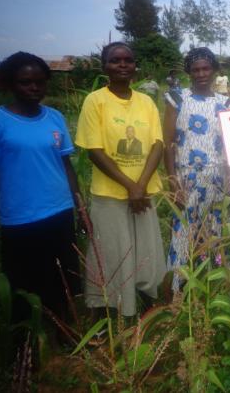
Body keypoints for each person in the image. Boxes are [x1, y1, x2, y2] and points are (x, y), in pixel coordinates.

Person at [0, 52, 82, 320]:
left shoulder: (55, 118)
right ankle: (29, 339)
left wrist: (80, 208)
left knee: (64, 279)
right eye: (25, 82)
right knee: (24, 286)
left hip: (60, 212)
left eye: (39, 82)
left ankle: (65, 330)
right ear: (10, 84)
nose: (34, 87)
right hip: (20, 219)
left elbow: (66, 166)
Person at [75, 42, 166, 317]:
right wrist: (130, 187)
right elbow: (94, 151)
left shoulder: (146, 102)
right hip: (109, 195)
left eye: (128, 60)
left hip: (144, 194)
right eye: (116, 60)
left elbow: (158, 144)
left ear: (135, 66)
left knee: (147, 251)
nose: (123, 65)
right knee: (112, 252)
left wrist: (140, 187)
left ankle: (148, 305)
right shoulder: (95, 101)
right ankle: (108, 311)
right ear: (105, 66)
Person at [163, 48, 230, 290]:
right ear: (188, 72)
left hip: (217, 179)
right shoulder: (177, 99)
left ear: (214, 70)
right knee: (183, 233)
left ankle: (210, 288)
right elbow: (167, 143)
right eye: (196, 70)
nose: (201, 74)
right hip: (187, 179)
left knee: (215, 233)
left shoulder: (225, 103)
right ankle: (178, 292)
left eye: (206, 69)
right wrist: (173, 182)